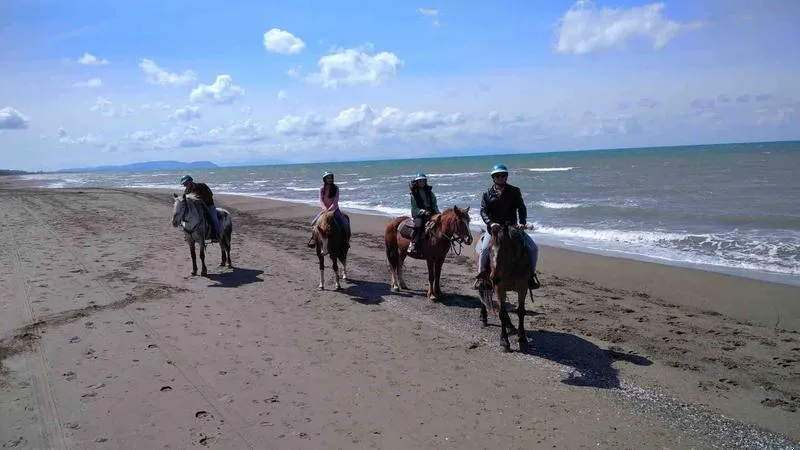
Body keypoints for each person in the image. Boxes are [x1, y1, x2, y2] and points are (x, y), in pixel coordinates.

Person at [474, 164, 539, 289]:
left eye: (503, 175)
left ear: (506, 177)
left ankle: (531, 275)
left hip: (512, 228)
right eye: (497, 176)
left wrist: (522, 222)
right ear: (493, 178)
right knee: (483, 250)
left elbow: (521, 207)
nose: (500, 178)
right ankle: (481, 275)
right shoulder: (487, 194)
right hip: (494, 229)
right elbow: (483, 211)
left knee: (533, 248)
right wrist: (491, 223)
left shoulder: (514, 191)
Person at [309, 171, 350, 249]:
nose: (330, 179)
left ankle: (346, 241)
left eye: (331, 178)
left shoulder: (336, 188)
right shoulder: (322, 189)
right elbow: (321, 200)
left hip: (334, 210)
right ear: (325, 179)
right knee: (313, 223)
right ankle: (314, 239)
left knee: (344, 224)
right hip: (325, 210)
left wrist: (330, 209)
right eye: (328, 178)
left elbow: (335, 201)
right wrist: (324, 208)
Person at [180, 174, 221, 242]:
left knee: (214, 219)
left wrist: (201, 200)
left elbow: (210, 194)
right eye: (184, 184)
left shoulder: (202, 186)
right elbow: (185, 200)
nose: (185, 185)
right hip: (197, 208)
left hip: (208, 205)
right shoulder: (186, 191)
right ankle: (188, 235)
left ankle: (217, 235)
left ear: (190, 181)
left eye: (186, 183)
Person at [407, 172, 439, 255]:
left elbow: (434, 204)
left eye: (423, 181)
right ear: (417, 182)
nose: (422, 183)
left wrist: (438, 213)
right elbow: (414, 208)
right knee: (419, 225)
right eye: (420, 181)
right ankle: (413, 244)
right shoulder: (414, 194)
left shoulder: (430, 192)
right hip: (418, 214)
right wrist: (423, 211)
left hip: (431, 212)